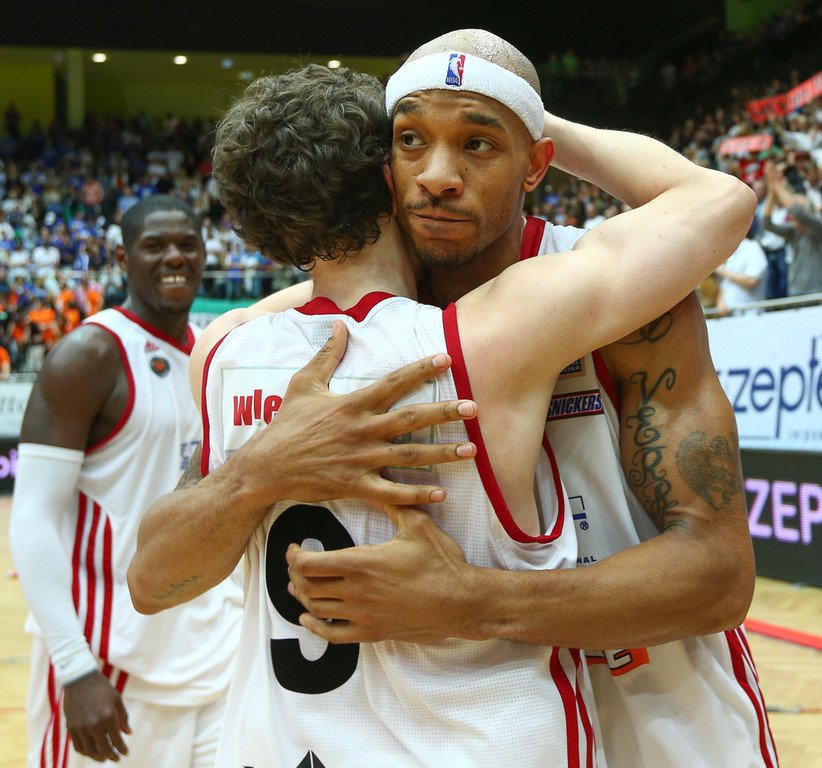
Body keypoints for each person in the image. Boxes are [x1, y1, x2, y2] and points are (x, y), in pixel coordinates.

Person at [127, 58, 754, 766]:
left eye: (478, 141)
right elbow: (717, 197)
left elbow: (717, 575)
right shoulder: (503, 323)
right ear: (380, 173)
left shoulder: (231, 346)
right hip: (489, 726)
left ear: (534, 161)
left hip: (660, 702)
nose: (437, 175)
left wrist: (469, 601)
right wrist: (260, 471)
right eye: (411, 140)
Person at [9, 195, 243, 767]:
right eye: (155, 246)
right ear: (121, 257)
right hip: (108, 667)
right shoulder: (90, 354)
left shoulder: (209, 354)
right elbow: (33, 519)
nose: (174, 257)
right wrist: (74, 667)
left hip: (211, 659)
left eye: (187, 244)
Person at [715, 225, 769, 315]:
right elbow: (726, 283)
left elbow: (752, 280)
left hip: (750, 314)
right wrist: (720, 301)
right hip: (731, 315)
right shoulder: (731, 253)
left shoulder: (753, 248)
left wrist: (724, 272)